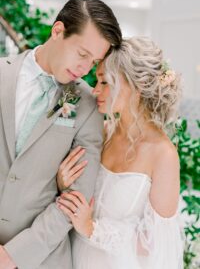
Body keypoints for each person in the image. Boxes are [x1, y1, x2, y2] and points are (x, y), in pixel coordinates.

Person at [0, 0, 122, 269]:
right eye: (82, 54)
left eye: (94, 61)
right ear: (58, 31)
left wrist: (14, 255)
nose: (85, 69)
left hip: (41, 260)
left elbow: (77, 198)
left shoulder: (88, 105)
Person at [57, 37, 184, 269]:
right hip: (75, 260)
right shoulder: (101, 132)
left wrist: (92, 229)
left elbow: (156, 242)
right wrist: (62, 181)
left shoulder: (163, 154)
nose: (95, 91)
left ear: (134, 86)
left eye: (105, 82)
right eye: (96, 81)